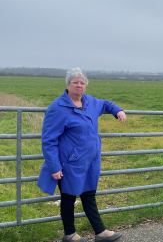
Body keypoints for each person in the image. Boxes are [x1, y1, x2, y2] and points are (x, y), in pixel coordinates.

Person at [37, 67, 126, 242]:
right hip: (69, 163)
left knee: (88, 195)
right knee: (69, 197)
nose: (79, 85)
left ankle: (100, 233)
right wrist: (54, 167)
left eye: (82, 82)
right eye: (75, 82)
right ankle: (69, 234)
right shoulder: (58, 108)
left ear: (85, 86)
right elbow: (49, 140)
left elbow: (106, 103)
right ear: (68, 84)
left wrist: (118, 110)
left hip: (90, 161)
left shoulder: (90, 102)